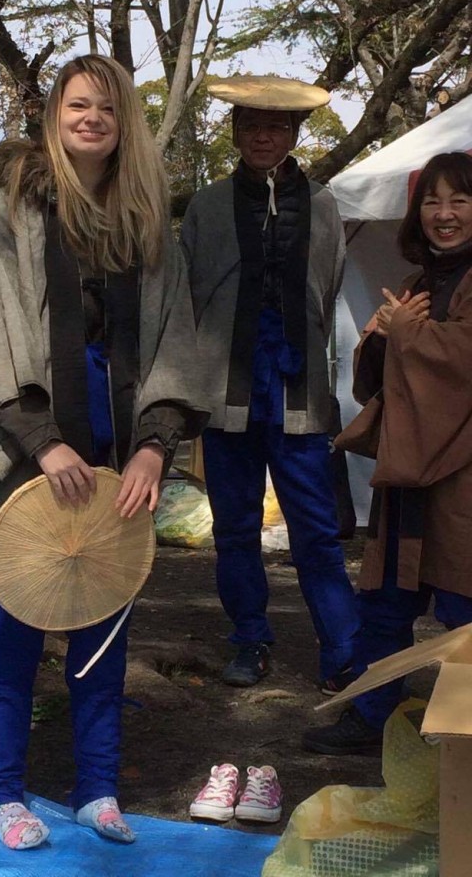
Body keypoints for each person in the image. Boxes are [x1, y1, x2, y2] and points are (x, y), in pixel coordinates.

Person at [0, 54, 207, 850]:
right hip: (16, 464)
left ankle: (96, 788)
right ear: (54, 119)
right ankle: (5, 794)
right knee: (6, 638)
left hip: (113, 465)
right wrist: (41, 442)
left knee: (102, 640)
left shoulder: (146, 227)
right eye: (76, 105)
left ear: (125, 123)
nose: (91, 118)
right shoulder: (14, 212)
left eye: (106, 108)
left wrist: (157, 448)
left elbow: (177, 343)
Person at [180, 76, 359, 691]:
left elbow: (325, 290)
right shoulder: (205, 207)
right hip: (226, 397)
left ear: (294, 134)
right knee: (234, 529)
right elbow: (191, 295)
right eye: (251, 125)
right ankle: (250, 640)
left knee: (318, 531)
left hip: (299, 395)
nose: (263, 135)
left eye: (277, 126)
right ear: (234, 132)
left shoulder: (327, 205)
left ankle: (343, 651)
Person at [303, 150, 472, 754]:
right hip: (409, 478)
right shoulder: (418, 283)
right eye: (432, 201)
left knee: (464, 610)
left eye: (459, 200)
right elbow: (378, 381)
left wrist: (408, 333)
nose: (444, 214)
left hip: (461, 480)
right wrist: (378, 338)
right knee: (386, 605)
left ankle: (461, 738)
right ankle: (372, 717)